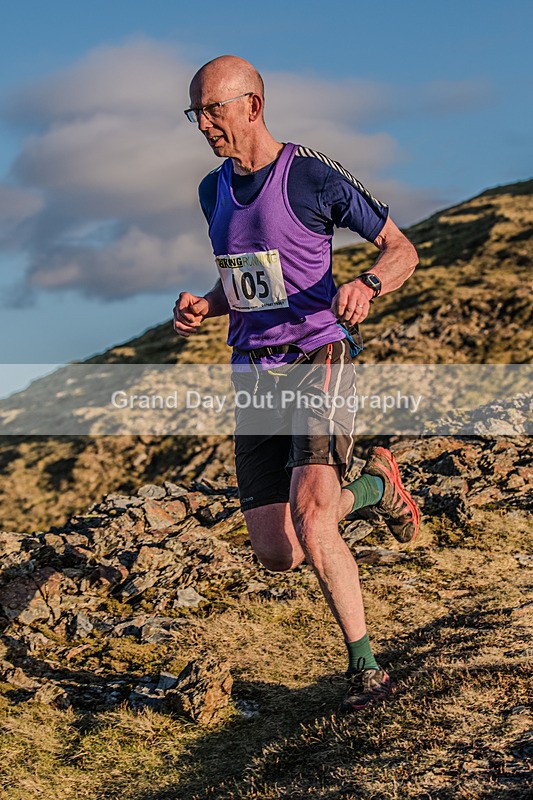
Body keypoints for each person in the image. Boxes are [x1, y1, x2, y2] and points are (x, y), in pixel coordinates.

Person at [173, 55, 420, 712]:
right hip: (253, 374)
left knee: (314, 519)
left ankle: (365, 669)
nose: (202, 124)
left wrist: (367, 285)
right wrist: (206, 303)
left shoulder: (310, 174)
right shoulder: (211, 191)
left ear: (252, 105)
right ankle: (375, 485)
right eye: (194, 112)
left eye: (212, 109)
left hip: (318, 355)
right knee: (277, 549)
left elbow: (401, 250)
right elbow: (249, 283)